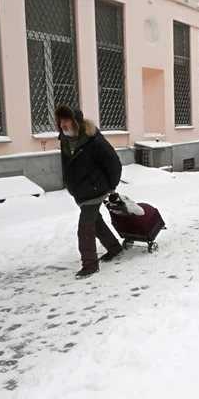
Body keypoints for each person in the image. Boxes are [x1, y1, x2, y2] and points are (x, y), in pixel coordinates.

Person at [56, 105, 123, 279]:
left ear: (76, 122)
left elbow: (113, 162)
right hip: (80, 190)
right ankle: (114, 248)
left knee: (85, 227)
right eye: (60, 121)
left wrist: (112, 186)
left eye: (66, 120)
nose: (62, 124)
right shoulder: (64, 139)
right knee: (95, 221)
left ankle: (90, 265)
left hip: (96, 189)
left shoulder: (94, 140)